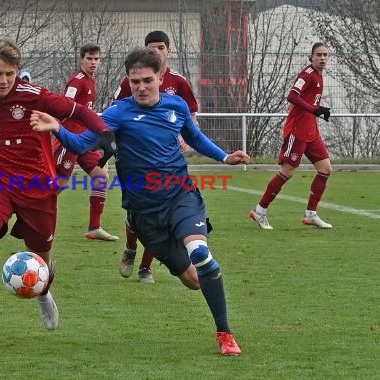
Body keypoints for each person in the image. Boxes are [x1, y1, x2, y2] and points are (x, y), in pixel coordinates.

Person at [31, 47, 249, 356]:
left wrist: (225, 156)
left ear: (161, 77)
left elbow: (195, 137)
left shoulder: (176, 106)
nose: (141, 87)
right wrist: (57, 128)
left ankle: (225, 334)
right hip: (145, 213)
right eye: (135, 82)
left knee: (200, 253)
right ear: (128, 81)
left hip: (180, 195)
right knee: (193, 281)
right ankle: (133, 226)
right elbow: (82, 143)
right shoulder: (118, 113)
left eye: (148, 80)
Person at [0, 38, 114, 338]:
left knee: (41, 258)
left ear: (17, 72)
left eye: (10, 74)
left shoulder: (35, 96)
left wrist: (104, 135)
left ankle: (44, 291)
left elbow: (79, 112)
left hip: (37, 186)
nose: (4, 80)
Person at [115, 31, 201, 282]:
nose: (158, 52)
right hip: (134, 160)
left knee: (164, 211)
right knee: (138, 212)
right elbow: (115, 115)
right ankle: (131, 249)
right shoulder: (129, 81)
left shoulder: (179, 82)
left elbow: (191, 115)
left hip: (168, 159)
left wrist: (185, 137)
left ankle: (146, 267)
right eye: (152, 49)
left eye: (161, 48)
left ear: (169, 51)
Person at [250, 42, 333, 230]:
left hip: (311, 131)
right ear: (311, 57)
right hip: (297, 131)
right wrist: (314, 109)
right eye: (318, 55)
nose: (322, 58)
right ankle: (260, 211)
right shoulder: (307, 75)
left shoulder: (319, 75)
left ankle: (311, 214)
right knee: (288, 171)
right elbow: (292, 96)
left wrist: (316, 112)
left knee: (325, 169)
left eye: (325, 55)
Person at [54, 43, 118, 241]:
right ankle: (32, 217)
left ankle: (95, 227)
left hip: (85, 139)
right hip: (71, 139)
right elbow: (64, 106)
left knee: (101, 176)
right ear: (81, 59)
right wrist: (60, 134)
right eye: (89, 58)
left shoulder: (91, 81)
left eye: (96, 59)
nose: (93, 62)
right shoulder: (77, 82)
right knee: (59, 183)